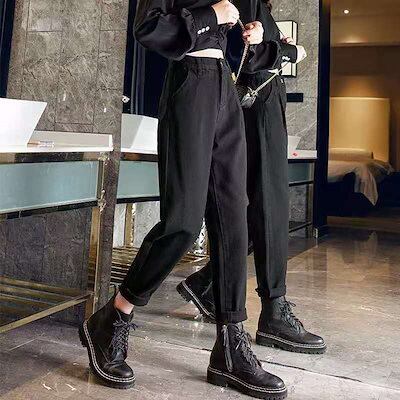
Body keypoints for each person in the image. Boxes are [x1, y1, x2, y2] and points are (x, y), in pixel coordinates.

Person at [79, 1, 288, 398]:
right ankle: (113, 316)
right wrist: (213, 15)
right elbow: (149, 28)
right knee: (184, 221)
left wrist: (255, 36)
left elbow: (246, 45)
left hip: (225, 85)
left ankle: (230, 344)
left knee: (234, 219)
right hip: (189, 82)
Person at [178, 0, 327, 355]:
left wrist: (280, 47)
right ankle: (273, 311)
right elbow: (244, 53)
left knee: (255, 210)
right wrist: (291, 52)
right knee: (269, 205)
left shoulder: (261, 5)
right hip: (257, 103)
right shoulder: (246, 1)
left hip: (263, 101)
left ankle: (207, 284)